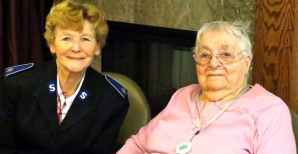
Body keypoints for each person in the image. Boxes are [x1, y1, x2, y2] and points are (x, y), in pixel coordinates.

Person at [117, 21, 296, 153]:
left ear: (247, 62)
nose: (213, 63)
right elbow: (138, 144)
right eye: (204, 55)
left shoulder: (269, 110)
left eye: (226, 54)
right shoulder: (183, 95)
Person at [0, 0, 129, 153]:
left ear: (97, 47)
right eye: (67, 38)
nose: (76, 48)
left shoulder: (112, 99)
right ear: (52, 44)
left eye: (85, 39)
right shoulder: (17, 84)